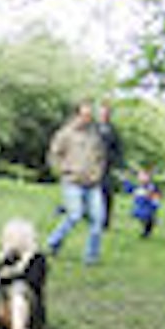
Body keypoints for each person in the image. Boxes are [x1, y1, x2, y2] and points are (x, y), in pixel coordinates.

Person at [45, 101, 107, 265]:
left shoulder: (95, 136)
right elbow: (54, 154)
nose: (87, 118)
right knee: (75, 215)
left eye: (89, 115)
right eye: (84, 115)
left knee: (98, 219)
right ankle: (53, 242)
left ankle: (91, 257)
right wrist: (62, 171)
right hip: (72, 181)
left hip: (93, 183)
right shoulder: (66, 134)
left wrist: (98, 172)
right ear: (77, 115)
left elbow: (101, 157)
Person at [95, 102, 125, 230]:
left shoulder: (114, 131)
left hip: (107, 166)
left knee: (106, 192)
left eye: (106, 113)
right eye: (102, 112)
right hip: (91, 164)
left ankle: (106, 221)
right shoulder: (92, 128)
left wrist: (117, 165)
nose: (104, 115)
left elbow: (118, 150)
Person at [124, 168, 162, 239]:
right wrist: (126, 180)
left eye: (144, 177)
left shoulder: (151, 187)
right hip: (139, 207)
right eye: (140, 177)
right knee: (141, 217)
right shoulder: (137, 187)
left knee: (147, 218)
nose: (141, 179)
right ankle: (149, 225)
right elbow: (128, 189)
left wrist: (154, 200)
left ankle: (148, 229)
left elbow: (156, 195)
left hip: (148, 207)